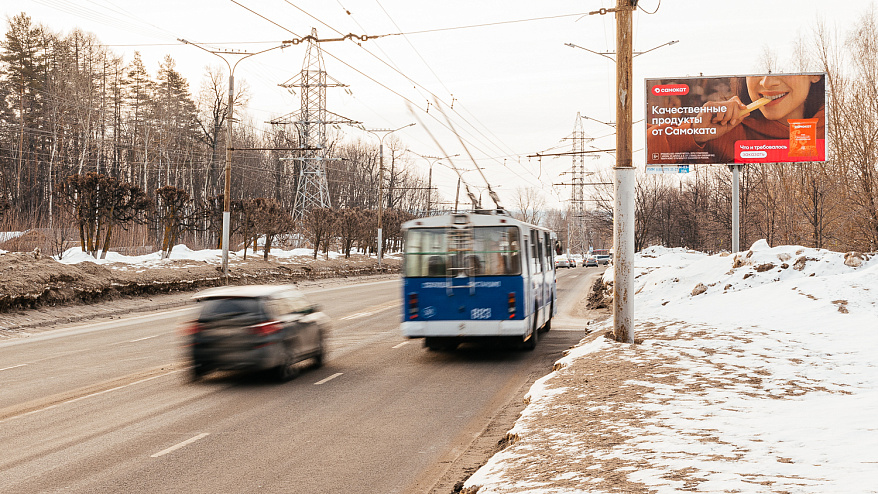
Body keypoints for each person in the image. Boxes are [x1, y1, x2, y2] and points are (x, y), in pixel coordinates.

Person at [647, 74, 825, 164]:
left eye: (783, 70)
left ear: (814, 75)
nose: (767, 82)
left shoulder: (833, 132)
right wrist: (695, 132)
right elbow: (640, 155)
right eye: (757, 70)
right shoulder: (723, 132)